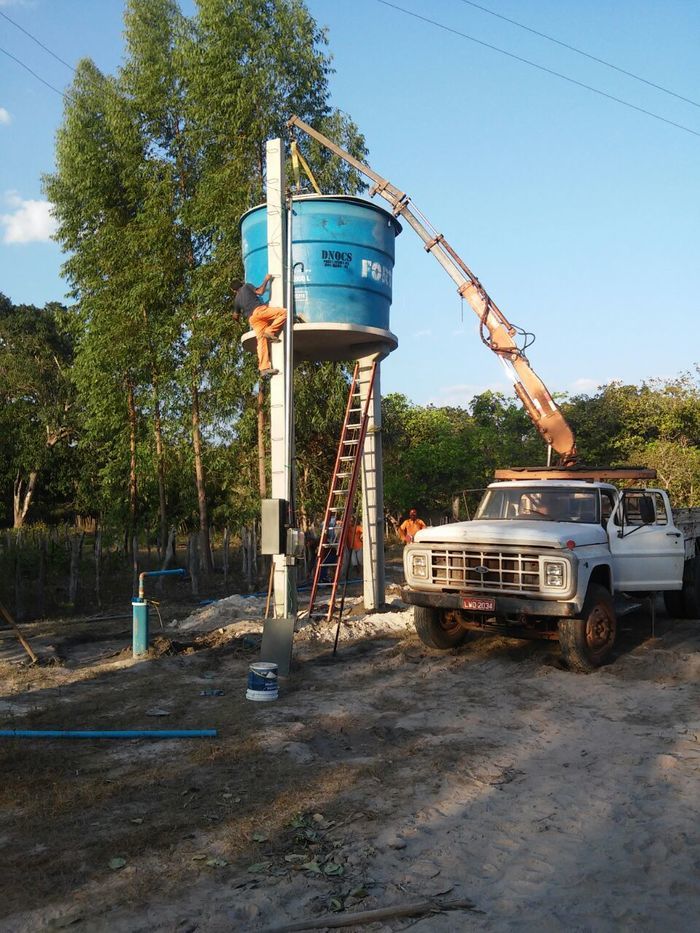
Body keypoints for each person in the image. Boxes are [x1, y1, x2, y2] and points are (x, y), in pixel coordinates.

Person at [232, 273, 287, 377]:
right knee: (284, 313)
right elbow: (260, 292)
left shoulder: (236, 300)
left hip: (252, 320)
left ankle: (264, 368)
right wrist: (266, 280)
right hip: (259, 311)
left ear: (234, 290)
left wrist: (238, 321)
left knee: (261, 341)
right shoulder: (246, 286)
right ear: (241, 283)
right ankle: (270, 331)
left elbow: (235, 315)